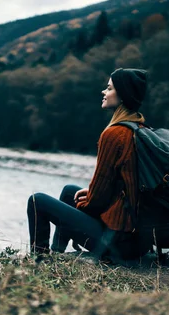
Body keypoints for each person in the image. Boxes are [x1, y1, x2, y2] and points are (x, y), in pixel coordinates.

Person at [27, 68, 152, 262]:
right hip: (136, 240)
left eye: (109, 88)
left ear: (122, 95)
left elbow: (98, 201)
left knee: (37, 201)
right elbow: (123, 186)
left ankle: (39, 261)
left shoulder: (114, 135)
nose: (104, 92)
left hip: (115, 243)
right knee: (70, 191)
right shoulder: (141, 130)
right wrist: (90, 195)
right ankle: (57, 252)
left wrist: (85, 201)